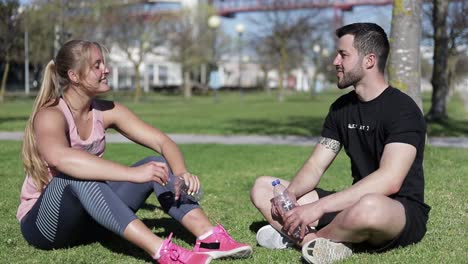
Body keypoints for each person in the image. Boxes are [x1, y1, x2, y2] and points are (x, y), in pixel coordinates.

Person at [17, 39, 252, 264]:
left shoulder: (107, 110)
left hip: (90, 222)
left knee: (156, 163)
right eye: (96, 66)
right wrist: (132, 174)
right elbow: (60, 158)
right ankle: (162, 251)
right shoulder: (50, 114)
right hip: (45, 226)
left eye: (104, 63)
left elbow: (162, 142)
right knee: (80, 176)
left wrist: (180, 173)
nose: (106, 70)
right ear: (74, 76)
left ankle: (209, 238)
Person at [250, 23, 430, 264]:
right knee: (263, 187)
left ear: (369, 60)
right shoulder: (341, 109)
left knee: (370, 206)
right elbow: (315, 165)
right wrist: (290, 196)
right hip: (353, 204)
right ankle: (319, 244)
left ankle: (299, 238)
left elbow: (390, 179)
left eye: (343, 55)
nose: (335, 61)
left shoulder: (403, 110)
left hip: (396, 211)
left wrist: (319, 208)